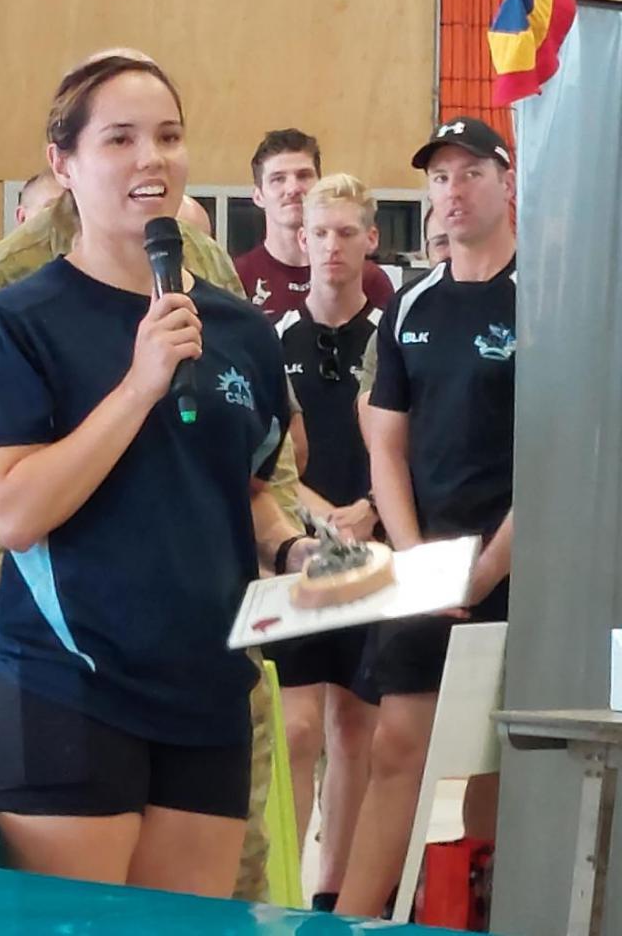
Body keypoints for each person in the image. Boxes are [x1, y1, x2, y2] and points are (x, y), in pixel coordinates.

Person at [0, 53, 307, 897]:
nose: (152, 158)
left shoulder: (237, 329)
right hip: (70, 684)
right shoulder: (16, 324)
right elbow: (14, 512)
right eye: (120, 139)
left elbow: (246, 488)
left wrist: (299, 554)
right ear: (63, 163)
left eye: (169, 137)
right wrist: (140, 385)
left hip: (206, 690)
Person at [336, 116, 516, 916]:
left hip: (514, 563)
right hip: (427, 560)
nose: (453, 191)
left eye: (471, 173)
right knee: (397, 746)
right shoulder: (411, 303)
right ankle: (353, 917)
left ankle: (487, 909)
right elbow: (387, 446)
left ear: (507, 183)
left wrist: (486, 570)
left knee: (499, 763)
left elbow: (558, 456)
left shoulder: (544, 298)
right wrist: (415, 561)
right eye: (440, 178)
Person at [266, 174, 381, 911]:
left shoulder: (392, 335)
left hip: (374, 542)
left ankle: (331, 897)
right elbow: (270, 459)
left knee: (355, 726)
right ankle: (281, 885)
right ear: (299, 240)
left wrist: (370, 509)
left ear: (371, 239)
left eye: (345, 233)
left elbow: (408, 446)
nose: (331, 247)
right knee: (297, 726)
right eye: (319, 233)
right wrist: (318, 515)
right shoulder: (276, 338)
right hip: (300, 546)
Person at [234, 129, 394, 321]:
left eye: (303, 176)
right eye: (278, 179)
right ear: (258, 196)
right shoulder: (238, 277)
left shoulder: (369, 279)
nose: (293, 189)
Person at [356, 206, 450, 446]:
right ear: (427, 252)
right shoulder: (398, 323)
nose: (453, 252)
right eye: (442, 243)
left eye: (460, 239)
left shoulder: (522, 313)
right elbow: (379, 439)